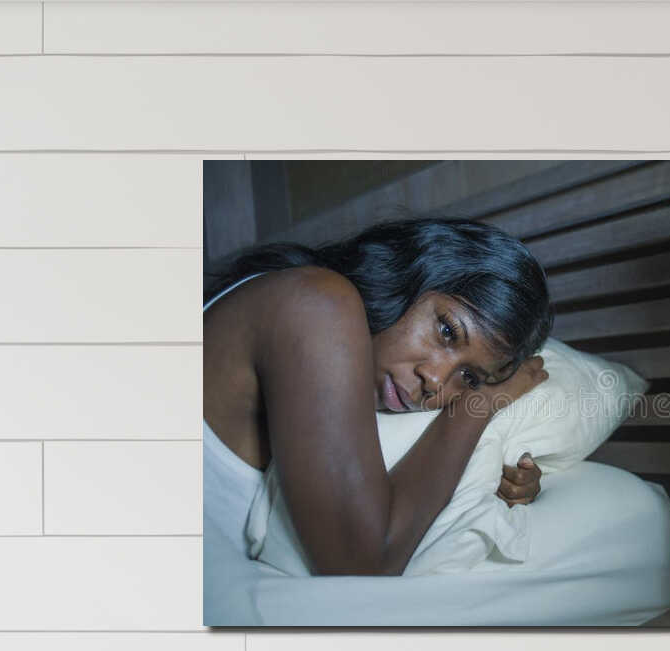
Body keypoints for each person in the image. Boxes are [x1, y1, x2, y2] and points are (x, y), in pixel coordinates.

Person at [204, 217, 553, 577]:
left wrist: (497, 474)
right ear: (412, 274)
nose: (434, 380)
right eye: (447, 330)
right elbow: (363, 563)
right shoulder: (317, 304)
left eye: (469, 377)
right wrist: (481, 402)